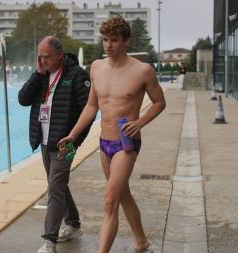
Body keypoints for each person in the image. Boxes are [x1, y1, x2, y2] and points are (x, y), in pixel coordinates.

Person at [58, 16, 166, 253]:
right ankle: (141, 241)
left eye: (114, 40)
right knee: (122, 194)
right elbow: (91, 106)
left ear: (126, 40)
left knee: (109, 200)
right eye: (105, 40)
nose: (108, 45)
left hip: (126, 145)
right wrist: (73, 135)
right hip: (104, 143)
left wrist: (140, 122)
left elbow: (159, 102)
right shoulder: (96, 67)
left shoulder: (142, 70)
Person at [18, 36, 93, 253]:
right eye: (39, 57)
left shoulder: (77, 75)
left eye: (46, 57)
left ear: (59, 55)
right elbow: (23, 99)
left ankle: (49, 239)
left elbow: (88, 112)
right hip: (43, 141)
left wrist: (74, 140)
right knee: (58, 185)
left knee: (55, 187)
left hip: (66, 144)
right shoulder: (42, 75)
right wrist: (37, 74)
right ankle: (74, 224)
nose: (42, 61)